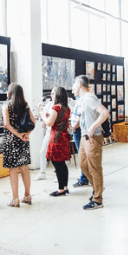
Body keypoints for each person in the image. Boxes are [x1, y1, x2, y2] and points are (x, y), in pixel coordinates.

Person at [72, 75, 109, 210]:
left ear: (80, 85)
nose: (72, 89)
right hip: (84, 137)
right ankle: (97, 187)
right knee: (83, 164)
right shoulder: (83, 99)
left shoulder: (90, 98)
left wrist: (93, 126)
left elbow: (105, 113)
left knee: (95, 167)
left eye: (74, 85)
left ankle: (98, 199)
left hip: (93, 137)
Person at [2, 83, 36, 207]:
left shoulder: (6, 105)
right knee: (24, 168)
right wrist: (26, 134)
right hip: (23, 140)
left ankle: (15, 199)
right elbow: (33, 122)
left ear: (10, 92)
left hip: (11, 140)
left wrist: (18, 134)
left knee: (13, 170)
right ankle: (27, 195)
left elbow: (6, 124)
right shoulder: (25, 105)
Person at [40, 87, 71, 196]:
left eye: (53, 94)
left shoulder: (56, 108)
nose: (51, 95)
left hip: (56, 137)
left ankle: (61, 189)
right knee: (62, 163)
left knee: (57, 163)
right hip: (64, 136)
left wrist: (43, 115)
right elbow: (58, 120)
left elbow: (49, 123)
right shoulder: (66, 108)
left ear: (57, 95)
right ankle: (65, 187)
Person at [35, 88, 56, 181]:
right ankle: (42, 172)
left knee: (56, 154)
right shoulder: (49, 104)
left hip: (57, 132)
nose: (52, 95)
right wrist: (40, 111)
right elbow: (44, 117)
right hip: (49, 131)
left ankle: (58, 174)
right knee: (42, 151)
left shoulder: (60, 105)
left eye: (53, 94)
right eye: (51, 93)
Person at [71, 92, 90, 187]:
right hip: (77, 128)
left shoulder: (81, 99)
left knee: (82, 155)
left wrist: (74, 126)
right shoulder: (80, 99)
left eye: (74, 88)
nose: (72, 91)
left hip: (78, 129)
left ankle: (84, 178)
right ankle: (84, 176)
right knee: (82, 154)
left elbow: (80, 116)